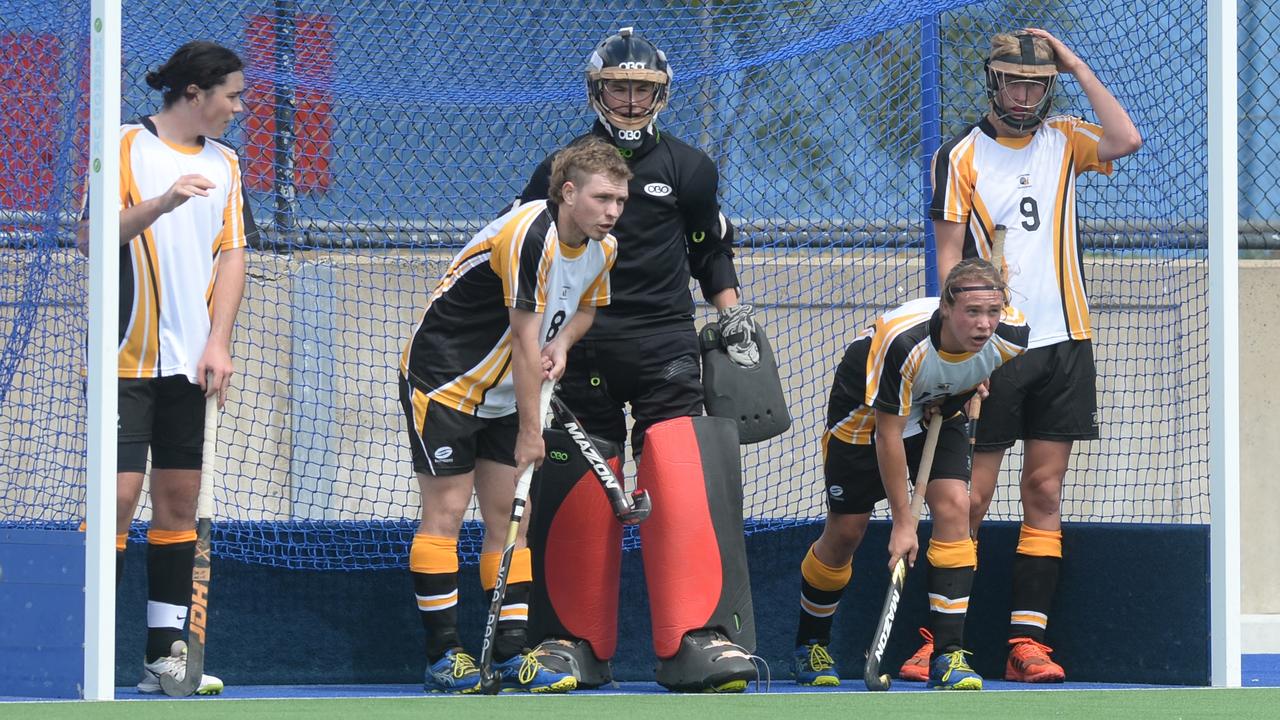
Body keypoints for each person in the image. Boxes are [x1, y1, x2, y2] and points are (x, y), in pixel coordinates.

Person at [515, 27, 761, 693]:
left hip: (665, 344)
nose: (629, 100)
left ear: (661, 95)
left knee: (681, 472)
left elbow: (711, 249)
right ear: (597, 91)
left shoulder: (690, 167)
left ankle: (696, 640)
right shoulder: (558, 170)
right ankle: (570, 644)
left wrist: (731, 312)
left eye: (642, 90)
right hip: (578, 348)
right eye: (619, 88)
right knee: (574, 482)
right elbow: (525, 251)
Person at [897, 28, 1142, 684]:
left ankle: (1026, 643)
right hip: (993, 346)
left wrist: (1076, 64)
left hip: (1064, 342)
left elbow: (1126, 139)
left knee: (1044, 488)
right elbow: (948, 258)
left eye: (1036, 83)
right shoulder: (961, 154)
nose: (1024, 93)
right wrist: (953, 345)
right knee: (968, 497)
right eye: (1013, 81)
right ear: (993, 81)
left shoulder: (1064, 137)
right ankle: (939, 641)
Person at [400, 137, 627, 694]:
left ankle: (507, 655)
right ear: (568, 192)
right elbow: (526, 340)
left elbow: (589, 307)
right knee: (447, 513)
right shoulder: (529, 235)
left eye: (620, 201)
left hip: (507, 391)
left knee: (511, 523)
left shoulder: (603, 247)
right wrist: (532, 431)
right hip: (448, 381)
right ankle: (444, 655)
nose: (613, 211)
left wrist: (568, 342)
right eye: (603, 199)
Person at [76, 40, 255, 695]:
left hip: (189, 363)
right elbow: (91, 238)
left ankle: (164, 656)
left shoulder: (228, 164)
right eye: (231, 95)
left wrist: (219, 342)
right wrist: (163, 203)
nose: (239, 107)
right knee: (119, 499)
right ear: (194, 93)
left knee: (178, 501)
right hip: (123, 359)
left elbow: (232, 256)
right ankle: (88, 649)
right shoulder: (121, 146)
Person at [790, 259, 1029, 691]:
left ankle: (948, 655)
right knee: (847, 531)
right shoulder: (905, 343)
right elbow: (889, 435)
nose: (984, 324)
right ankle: (810, 644)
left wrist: (965, 380)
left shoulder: (1011, 337)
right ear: (945, 309)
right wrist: (903, 523)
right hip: (868, 416)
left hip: (939, 403)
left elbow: (978, 363)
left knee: (957, 505)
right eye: (972, 312)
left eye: (992, 312)